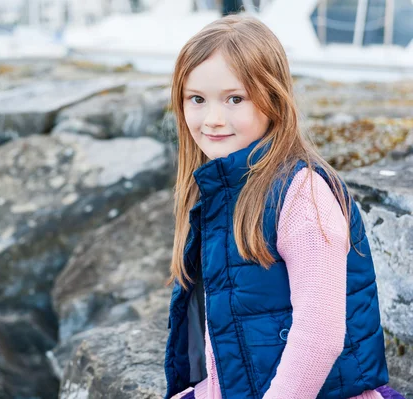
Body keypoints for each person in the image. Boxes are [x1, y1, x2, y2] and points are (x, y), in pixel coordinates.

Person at [163, 14, 405, 399]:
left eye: (235, 99)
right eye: (197, 99)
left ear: (273, 100)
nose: (212, 119)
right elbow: (232, 326)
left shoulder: (301, 196)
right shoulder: (221, 188)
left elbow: (320, 336)